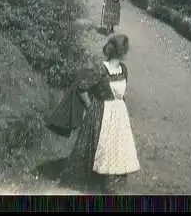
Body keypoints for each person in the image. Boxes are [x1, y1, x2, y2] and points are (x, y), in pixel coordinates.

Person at [59, 34, 140, 194]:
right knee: (101, 148)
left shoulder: (123, 69)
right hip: (103, 114)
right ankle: (96, 183)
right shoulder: (101, 69)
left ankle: (111, 184)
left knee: (117, 148)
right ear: (121, 51)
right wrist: (91, 107)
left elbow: (122, 94)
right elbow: (82, 88)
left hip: (119, 115)